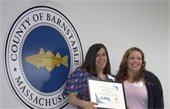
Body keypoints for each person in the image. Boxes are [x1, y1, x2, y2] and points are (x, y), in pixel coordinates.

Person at [64, 43, 115, 109]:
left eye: (103, 55)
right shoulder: (81, 73)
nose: (101, 58)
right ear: (91, 57)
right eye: (97, 55)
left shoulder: (112, 79)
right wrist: (83, 104)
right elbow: (71, 98)